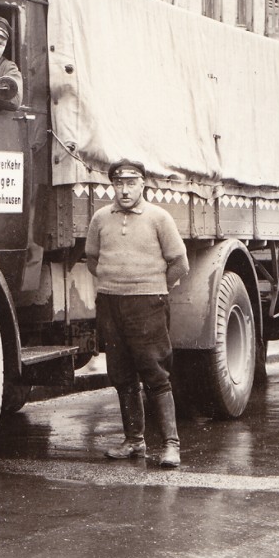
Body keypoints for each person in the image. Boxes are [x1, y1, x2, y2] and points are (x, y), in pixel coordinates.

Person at [85, 159, 190, 468]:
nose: (125, 190)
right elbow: (92, 259)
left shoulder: (159, 217)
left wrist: (154, 287)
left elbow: (180, 263)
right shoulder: (100, 218)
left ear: (143, 184)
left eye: (131, 183)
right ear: (112, 186)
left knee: (155, 373)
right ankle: (134, 441)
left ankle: (171, 445)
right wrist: (115, 281)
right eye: (119, 183)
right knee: (121, 374)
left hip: (148, 304)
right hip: (110, 303)